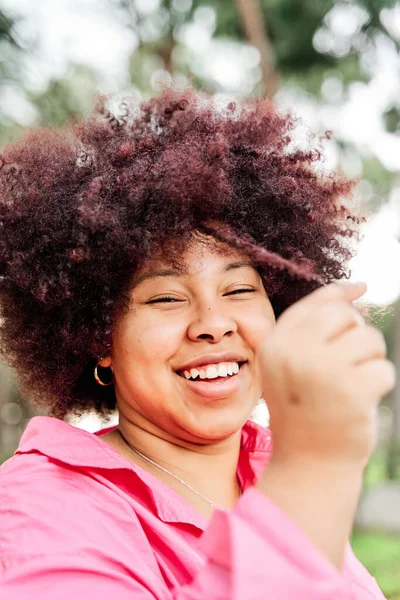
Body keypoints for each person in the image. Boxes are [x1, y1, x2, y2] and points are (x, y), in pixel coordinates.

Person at [0, 85, 394, 599]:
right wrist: (314, 468)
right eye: (165, 298)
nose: (214, 322)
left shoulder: (267, 469)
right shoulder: (39, 509)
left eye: (238, 289)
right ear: (98, 336)